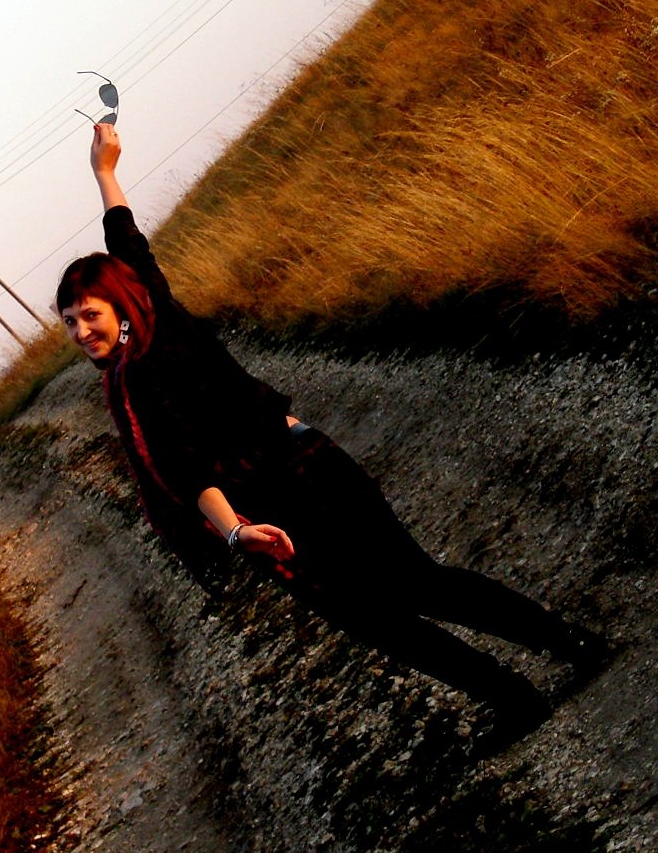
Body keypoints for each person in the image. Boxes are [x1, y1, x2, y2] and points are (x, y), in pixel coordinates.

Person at [55, 122, 608, 744]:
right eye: (70, 322)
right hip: (301, 468)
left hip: (292, 487)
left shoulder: (139, 377)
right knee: (396, 604)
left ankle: (548, 664)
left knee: (403, 597)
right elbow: (130, 249)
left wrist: (234, 533)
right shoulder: (156, 322)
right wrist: (105, 174)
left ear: (120, 306)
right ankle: (542, 670)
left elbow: (188, 473)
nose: (81, 332)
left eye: (90, 315)